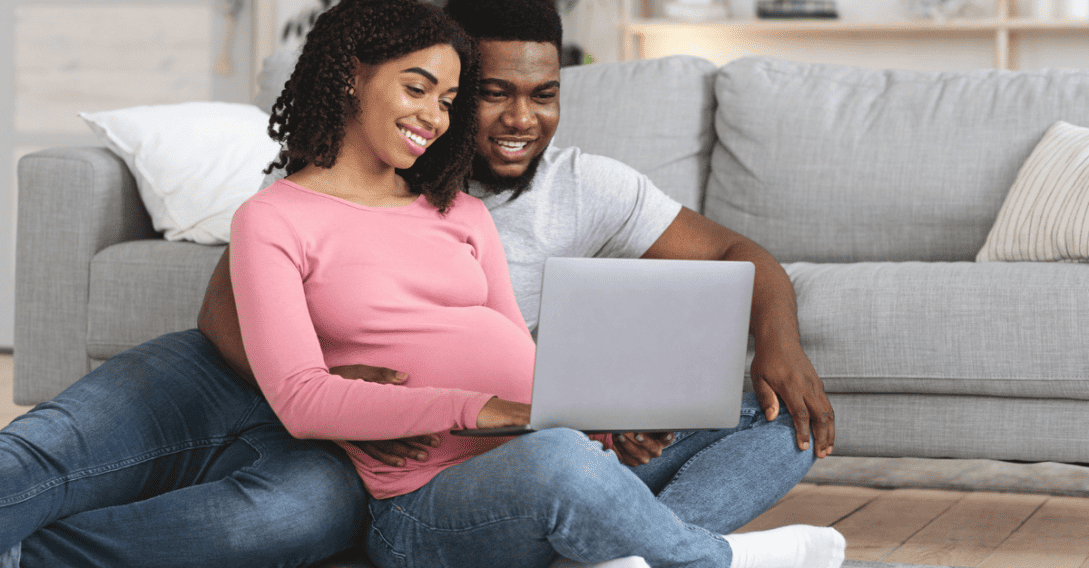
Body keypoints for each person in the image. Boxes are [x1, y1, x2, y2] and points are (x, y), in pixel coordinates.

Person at [209, 0, 844, 566]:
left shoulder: (470, 213)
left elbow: (525, 360)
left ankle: (620, 549)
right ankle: (702, 559)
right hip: (437, 489)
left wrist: (602, 426)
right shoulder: (295, 207)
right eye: (488, 93)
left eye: (448, 100)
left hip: (547, 448)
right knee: (559, 461)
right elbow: (277, 369)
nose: (520, 119)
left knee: (781, 426)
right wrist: (475, 410)